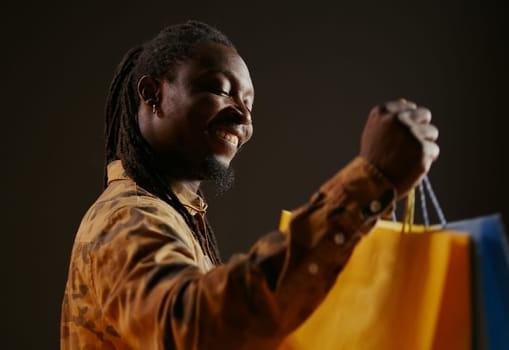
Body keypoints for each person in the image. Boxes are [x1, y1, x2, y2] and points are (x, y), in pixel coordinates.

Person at [60, 20, 440, 350]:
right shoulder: (127, 217)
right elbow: (195, 332)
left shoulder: (172, 215)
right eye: (220, 89)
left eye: (249, 104)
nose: (243, 117)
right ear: (152, 94)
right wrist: (367, 184)